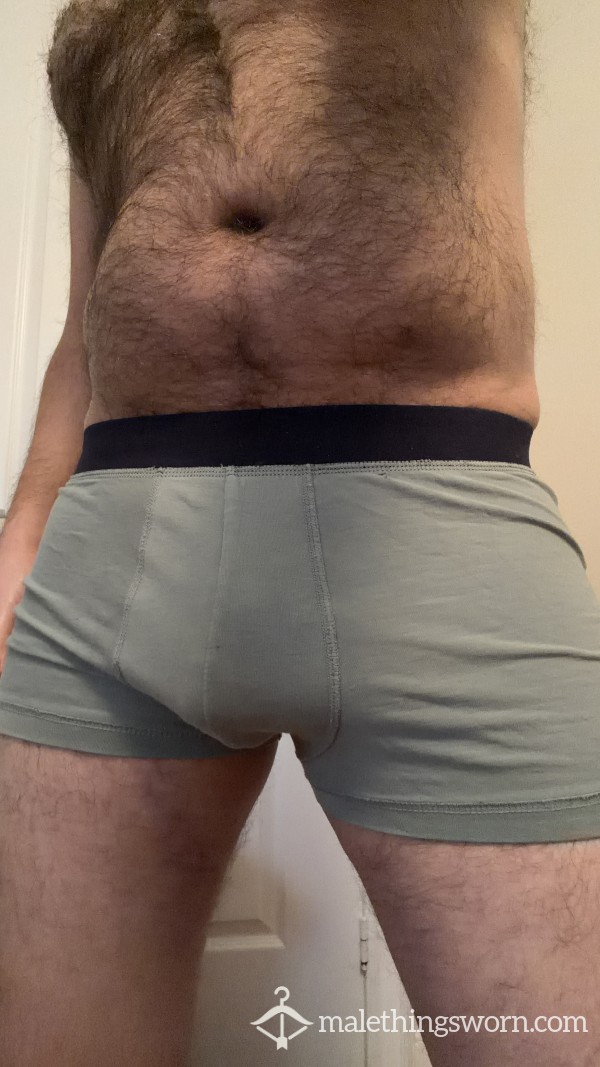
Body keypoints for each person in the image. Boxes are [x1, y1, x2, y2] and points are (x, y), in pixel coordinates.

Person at [0, 1, 599, 1064]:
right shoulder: (95, 17)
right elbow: (85, 321)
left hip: (443, 535)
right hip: (109, 553)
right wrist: (21, 539)